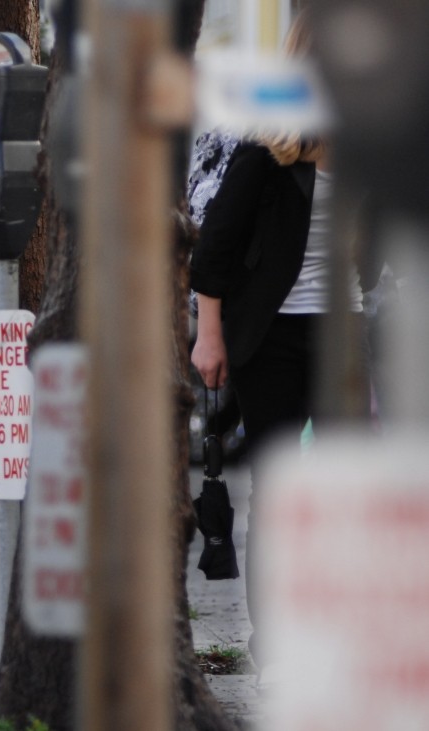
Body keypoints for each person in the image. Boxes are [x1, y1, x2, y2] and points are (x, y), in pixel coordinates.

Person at [189, 9, 377, 687]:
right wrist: (210, 338)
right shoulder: (269, 148)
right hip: (271, 339)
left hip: (340, 332)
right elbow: (212, 255)